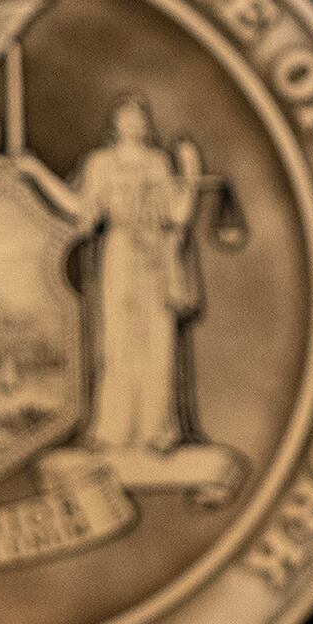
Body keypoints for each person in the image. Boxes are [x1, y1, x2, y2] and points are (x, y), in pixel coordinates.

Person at [74, 95, 204, 452]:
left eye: (139, 117)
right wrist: (36, 174)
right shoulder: (100, 163)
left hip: (154, 257)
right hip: (119, 252)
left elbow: (177, 215)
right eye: (127, 117)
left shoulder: (158, 163)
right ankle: (113, 429)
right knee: (117, 340)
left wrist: (190, 175)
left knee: (157, 341)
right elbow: (83, 213)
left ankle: (156, 429)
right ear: (116, 123)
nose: (134, 123)